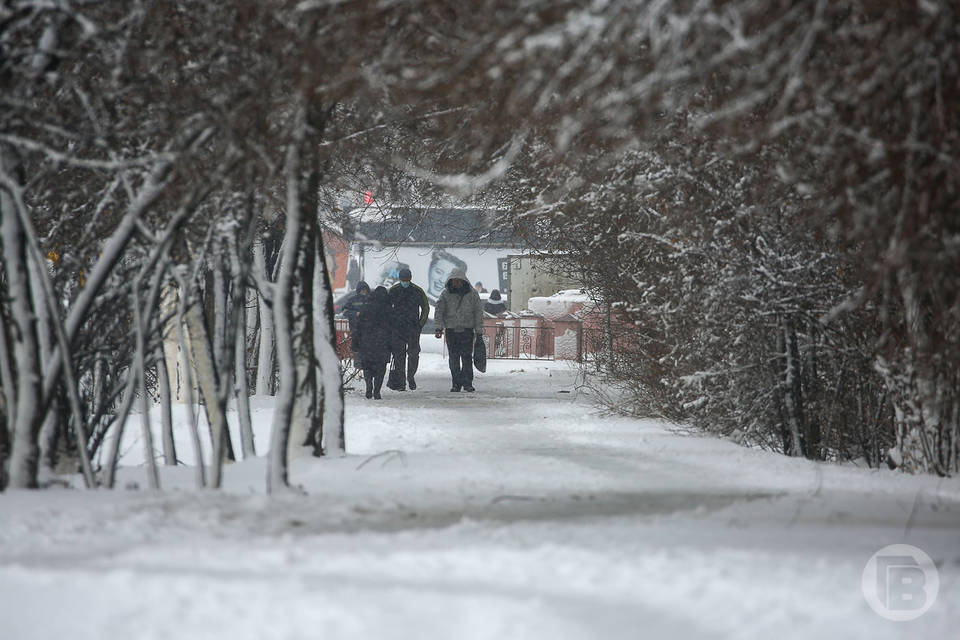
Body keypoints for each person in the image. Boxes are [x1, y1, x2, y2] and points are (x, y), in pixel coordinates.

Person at [434, 267, 483, 392]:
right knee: (454, 358)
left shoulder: (472, 294)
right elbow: (439, 310)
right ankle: (456, 383)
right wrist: (438, 328)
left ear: (463, 281)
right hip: (451, 330)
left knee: (466, 358)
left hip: (467, 330)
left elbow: (478, 312)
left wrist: (479, 330)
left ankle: (467, 383)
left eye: (458, 280)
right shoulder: (445, 294)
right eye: (454, 280)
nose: (456, 283)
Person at [388, 267, 429, 390]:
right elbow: (386, 307)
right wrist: (390, 324)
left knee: (413, 354)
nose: (405, 281)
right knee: (399, 355)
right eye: (403, 279)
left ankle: (411, 376)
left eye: (407, 279)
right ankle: (401, 382)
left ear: (410, 279)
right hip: (397, 330)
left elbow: (425, 308)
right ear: (399, 279)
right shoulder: (393, 290)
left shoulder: (417, 291)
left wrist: (420, 324)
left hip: (413, 329)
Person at [353, 286, 392, 399]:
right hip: (383, 343)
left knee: (367, 366)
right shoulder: (388, 309)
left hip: (367, 343)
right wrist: (393, 344)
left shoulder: (366, 308)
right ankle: (377, 391)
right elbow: (393, 328)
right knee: (381, 367)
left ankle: (369, 386)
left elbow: (358, 327)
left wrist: (355, 342)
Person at [341, 281, 370, 368]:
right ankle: (358, 365)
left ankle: (367, 364)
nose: (364, 292)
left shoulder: (371, 298)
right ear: (358, 290)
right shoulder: (352, 300)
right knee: (357, 346)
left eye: (365, 290)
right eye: (362, 290)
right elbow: (344, 311)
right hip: (356, 327)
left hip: (368, 328)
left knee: (368, 347)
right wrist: (355, 314)